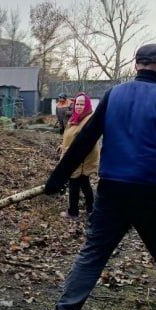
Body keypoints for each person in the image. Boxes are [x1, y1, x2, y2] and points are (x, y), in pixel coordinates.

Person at [43, 43, 156, 310]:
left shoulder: (114, 95)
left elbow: (85, 139)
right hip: (152, 192)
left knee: (93, 253)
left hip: (112, 189)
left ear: (136, 64)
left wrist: (57, 178)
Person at [59, 92, 98, 228]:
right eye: (78, 104)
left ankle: (74, 212)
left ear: (87, 105)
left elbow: (86, 140)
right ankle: (91, 210)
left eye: (82, 104)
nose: (79, 106)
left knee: (75, 183)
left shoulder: (89, 119)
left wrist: (71, 149)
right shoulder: (75, 118)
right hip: (73, 155)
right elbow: (70, 135)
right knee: (84, 183)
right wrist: (63, 145)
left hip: (81, 158)